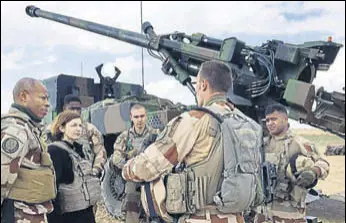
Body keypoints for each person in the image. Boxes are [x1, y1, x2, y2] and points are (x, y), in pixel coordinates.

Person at [121, 60, 246, 223]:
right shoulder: (245, 123)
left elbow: (149, 166)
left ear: (203, 85)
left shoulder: (194, 120)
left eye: (196, 85)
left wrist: (127, 169)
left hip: (202, 218)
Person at [255, 104, 330, 223]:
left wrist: (313, 172)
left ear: (285, 119)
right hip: (264, 212)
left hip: (290, 213)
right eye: (267, 120)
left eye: (274, 119)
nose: (270, 123)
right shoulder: (262, 145)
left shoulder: (299, 143)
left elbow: (323, 163)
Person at [1, 77, 56, 223]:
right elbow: (3, 175)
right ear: (23, 97)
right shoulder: (17, 129)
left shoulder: (30, 128)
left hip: (30, 211)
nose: (47, 104)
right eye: (42, 98)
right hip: (19, 213)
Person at [47, 110, 101, 223]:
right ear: (61, 128)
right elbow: (51, 189)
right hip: (67, 217)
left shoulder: (79, 149)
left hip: (85, 213)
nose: (78, 129)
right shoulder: (55, 151)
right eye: (73, 125)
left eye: (80, 125)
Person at [111, 104, 160, 222]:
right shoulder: (124, 137)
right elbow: (116, 157)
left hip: (152, 177)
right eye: (136, 117)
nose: (139, 120)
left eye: (142, 116)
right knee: (131, 208)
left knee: (156, 210)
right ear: (131, 117)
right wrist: (130, 168)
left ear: (146, 116)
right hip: (133, 179)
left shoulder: (156, 134)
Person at [46, 94, 107, 178]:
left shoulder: (89, 129)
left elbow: (100, 151)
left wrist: (95, 171)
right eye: (72, 108)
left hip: (86, 175)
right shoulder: (52, 129)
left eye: (78, 109)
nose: (75, 111)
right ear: (64, 108)